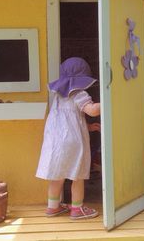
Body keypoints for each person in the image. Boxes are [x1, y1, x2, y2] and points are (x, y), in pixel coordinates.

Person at [36, 57, 100, 220]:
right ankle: (77, 209)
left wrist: (88, 127)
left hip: (55, 142)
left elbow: (69, 118)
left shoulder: (59, 95)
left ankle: (53, 207)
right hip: (73, 142)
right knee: (77, 175)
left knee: (57, 176)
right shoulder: (79, 93)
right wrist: (108, 101)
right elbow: (91, 110)